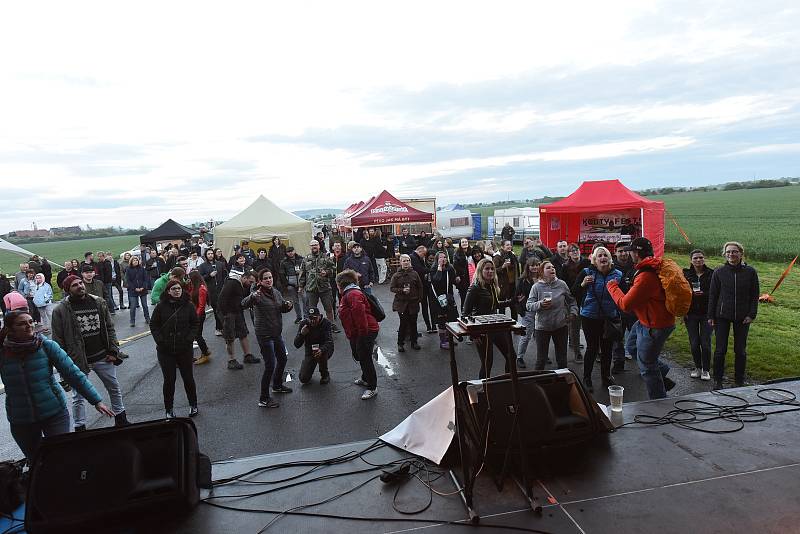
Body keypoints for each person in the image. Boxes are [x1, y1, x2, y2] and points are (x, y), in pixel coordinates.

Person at [0, 311, 115, 459]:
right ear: (9, 329)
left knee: (60, 457)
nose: (29, 326)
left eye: (30, 321)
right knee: (35, 461)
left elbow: (73, 374)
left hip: (54, 413)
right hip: (21, 418)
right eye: (22, 323)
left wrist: (96, 400)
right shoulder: (3, 352)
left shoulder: (46, 345)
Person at [52, 275, 131, 430]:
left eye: (81, 283)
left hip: (103, 356)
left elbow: (110, 328)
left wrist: (113, 350)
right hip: (78, 361)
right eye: (75, 285)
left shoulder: (98, 302)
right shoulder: (60, 311)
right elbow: (58, 340)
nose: (80, 286)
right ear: (67, 290)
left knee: (114, 387)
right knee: (78, 397)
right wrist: (64, 364)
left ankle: (121, 418)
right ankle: (80, 427)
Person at [606, 238, 677, 400]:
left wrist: (612, 286)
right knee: (631, 347)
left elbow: (625, 304)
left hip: (655, 325)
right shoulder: (654, 266)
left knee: (647, 367)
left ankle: (659, 402)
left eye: (630, 251)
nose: (628, 254)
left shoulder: (647, 276)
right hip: (645, 321)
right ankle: (661, 371)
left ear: (636, 253)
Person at [708, 241, 759, 389]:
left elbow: (754, 295)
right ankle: (718, 380)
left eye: (735, 251)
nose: (731, 254)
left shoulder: (750, 272)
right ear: (724, 254)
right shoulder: (718, 272)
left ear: (741, 254)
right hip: (722, 315)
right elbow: (713, 295)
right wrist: (711, 316)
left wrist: (752, 314)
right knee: (720, 349)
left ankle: (739, 380)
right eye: (728, 252)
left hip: (743, 317)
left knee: (740, 350)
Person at [572, 247, 622, 392]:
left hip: (609, 317)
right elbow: (573, 291)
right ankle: (587, 378)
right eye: (599, 256)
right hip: (590, 316)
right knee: (592, 348)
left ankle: (606, 376)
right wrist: (583, 284)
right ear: (594, 259)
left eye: (605, 255)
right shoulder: (587, 272)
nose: (602, 258)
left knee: (607, 349)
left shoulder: (617, 274)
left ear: (609, 258)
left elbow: (625, 295)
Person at [242, 269, 294, 408]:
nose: (269, 280)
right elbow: (244, 303)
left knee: (282, 358)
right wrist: (252, 296)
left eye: (270, 277)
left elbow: (281, 307)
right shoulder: (257, 294)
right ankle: (263, 398)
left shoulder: (275, 292)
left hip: (276, 332)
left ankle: (277, 385)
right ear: (260, 281)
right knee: (270, 365)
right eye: (265, 278)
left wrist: (288, 306)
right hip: (264, 334)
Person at [149, 280, 199, 418]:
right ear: (168, 291)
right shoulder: (160, 306)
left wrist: (189, 339)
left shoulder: (188, 306)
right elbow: (153, 325)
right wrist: (160, 340)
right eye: (174, 289)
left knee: (188, 378)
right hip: (166, 350)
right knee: (169, 380)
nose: (177, 291)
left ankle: (193, 404)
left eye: (179, 288)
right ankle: (169, 409)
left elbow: (195, 323)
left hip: (184, 348)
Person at [463, 258, 515, 378]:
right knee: (487, 363)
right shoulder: (475, 288)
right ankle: (483, 391)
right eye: (487, 269)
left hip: (495, 326)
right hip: (482, 330)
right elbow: (465, 313)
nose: (490, 271)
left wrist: (513, 301)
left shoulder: (492, 285)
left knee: (511, 356)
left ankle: (509, 383)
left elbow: (495, 304)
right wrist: (473, 334)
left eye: (492, 269)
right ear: (480, 270)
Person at [527, 260, 579, 372]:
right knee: (541, 359)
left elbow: (572, 301)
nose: (552, 269)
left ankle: (563, 383)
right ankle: (538, 384)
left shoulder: (561, 284)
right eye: (548, 268)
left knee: (562, 359)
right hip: (542, 327)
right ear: (542, 272)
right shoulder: (536, 287)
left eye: (553, 267)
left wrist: (573, 313)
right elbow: (529, 305)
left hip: (560, 326)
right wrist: (540, 304)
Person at [337, 269, 380, 400]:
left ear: (342, 284)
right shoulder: (349, 293)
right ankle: (365, 378)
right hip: (360, 332)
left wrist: (361, 336)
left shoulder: (353, 294)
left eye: (337, 284)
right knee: (360, 355)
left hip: (365, 331)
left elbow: (360, 316)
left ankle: (372, 387)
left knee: (365, 358)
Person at [217, 270, 260, 369]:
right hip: (228, 313)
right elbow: (221, 299)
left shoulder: (243, 285)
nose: (251, 284)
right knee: (230, 337)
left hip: (237, 311)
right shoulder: (232, 283)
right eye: (250, 282)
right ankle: (231, 360)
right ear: (244, 278)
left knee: (243, 333)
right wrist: (225, 315)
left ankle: (247, 355)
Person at [683, 249, 714, 381]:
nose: (698, 260)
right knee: (694, 342)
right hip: (691, 313)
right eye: (695, 258)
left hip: (707, 313)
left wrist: (704, 294)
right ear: (691, 260)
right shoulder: (686, 274)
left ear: (704, 259)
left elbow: (715, 292)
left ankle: (706, 370)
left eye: (701, 257)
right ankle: (697, 367)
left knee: (705, 342)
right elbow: (681, 291)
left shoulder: (712, 274)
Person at [299, 240, 339, 331]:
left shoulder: (326, 257)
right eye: (312, 245)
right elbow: (302, 273)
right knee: (312, 310)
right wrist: (301, 286)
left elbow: (333, 269)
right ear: (310, 247)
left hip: (325, 288)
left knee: (328, 308)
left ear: (319, 246)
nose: (314, 247)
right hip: (311, 288)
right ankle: (314, 327)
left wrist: (327, 272)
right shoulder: (306, 259)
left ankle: (331, 325)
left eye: (316, 245)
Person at [389, 254, 422, 352]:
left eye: (408, 260)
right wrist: (402, 290)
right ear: (400, 262)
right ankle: (400, 343)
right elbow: (392, 288)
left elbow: (420, 287)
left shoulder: (414, 273)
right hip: (402, 304)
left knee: (413, 323)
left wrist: (419, 299)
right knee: (403, 324)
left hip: (413, 302)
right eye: (404, 261)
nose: (406, 262)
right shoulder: (396, 275)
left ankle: (414, 342)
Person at [563, 244, 590, 362]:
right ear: (568, 254)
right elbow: (565, 283)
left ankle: (593, 350)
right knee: (574, 326)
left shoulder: (587, 263)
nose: (575, 252)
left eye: (577, 250)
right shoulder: (565, 266)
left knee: (588, 325)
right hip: (573, 297)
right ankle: (577, 352)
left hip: (587, 297)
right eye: (572, 251)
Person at [295, 306, 335, 385]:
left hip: (324, 349)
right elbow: (296, 344)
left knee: (322, 353)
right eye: (310, 318)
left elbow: (329, 341)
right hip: (310, 350)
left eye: (315, 318)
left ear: (320, 316)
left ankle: (325, 374)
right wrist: (301, 334)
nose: (312, 321)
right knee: (303, 379)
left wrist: (321, 350)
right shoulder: (304, 324)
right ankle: (309, 363)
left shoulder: (326, 323)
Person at [430, 251, 459, 350]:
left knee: (450, 319)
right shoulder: (433, 269)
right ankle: (443, 342)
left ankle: (449, 339)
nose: (443, 259)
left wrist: (457, 280)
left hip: (449, 297)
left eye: (444, 257)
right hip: (439, 299)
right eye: (441, 258)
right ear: (437, 260)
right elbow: (436, 281)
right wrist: (439, 269)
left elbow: (454, 281)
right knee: (442, 321)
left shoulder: (449, 268)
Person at [515, 258, 541, 368]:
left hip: (541, 311)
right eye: (532, 265)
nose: (535, 267)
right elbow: (517, 296)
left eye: (537, 265)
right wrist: (521, 310)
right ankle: (519, 357)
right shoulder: (523, 280)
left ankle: (542, 355)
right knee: (526, 335)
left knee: (541, 335)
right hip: (528, 311)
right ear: (528, 267)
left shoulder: (543, 278)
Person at [198, 248, 227, 335]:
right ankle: (219, 328)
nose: (210, 255)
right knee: (216, 309)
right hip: (211, 291)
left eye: (211, 253)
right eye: (208, 254)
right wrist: (209, 275)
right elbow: (201, 278)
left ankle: (225, 326)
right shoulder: (202, 266)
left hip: (221, 289)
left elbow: (225, 275)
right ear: (206, 256)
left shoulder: (220, 264)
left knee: (223, 309)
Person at [410, 245, 435, 334]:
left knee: (429, 306)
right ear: (420, 251)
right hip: (421, 286)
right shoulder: (414, 257)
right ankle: (429, 326)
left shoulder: (417, 258)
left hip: (425, 286)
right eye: (423, 254)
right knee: (424, 306)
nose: (424, 256)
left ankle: (432, 326)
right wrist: (430, 270)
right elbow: (419, 269)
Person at [188, 271, 212, 365]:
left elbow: (201, 306)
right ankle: (205, 351)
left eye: (190, 278)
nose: (189, 280)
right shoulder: (195, 287)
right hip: (195, 314)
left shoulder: (201, 289)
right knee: (197, 335)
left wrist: (196, 317)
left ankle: (205, 352)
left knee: (197, 335)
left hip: (198, 316)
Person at [494, 240, 519, 320]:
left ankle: (516, 326)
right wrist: (502, 267)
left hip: (512, 284)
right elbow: (493, 270)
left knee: (514, 306)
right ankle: (502, 326)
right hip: (503, 285)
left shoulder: (512, 255)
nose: (509, 246)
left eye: (510, 245)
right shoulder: (498, 256)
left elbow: (517, 268)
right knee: (502, 306)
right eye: (507, 245)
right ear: (502, 246)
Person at [280, 247, 304, 324]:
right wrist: (287, 283)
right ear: (286, 253)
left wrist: (304, 282)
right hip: (290, 283)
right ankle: (299, 317)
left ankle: (307, 316)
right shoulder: (284, 262)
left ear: (294, 251)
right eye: (288, 252)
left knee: (305, 299)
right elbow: (282, 274)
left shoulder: (301, 259)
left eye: (291, 251)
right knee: (295, 301)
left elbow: (306, 270)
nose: (290, 253)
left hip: (301, 282)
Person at [125, 256, 151, 327]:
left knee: (145, 305)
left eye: (136, 260)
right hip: (133, 291)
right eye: (134, 260)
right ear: (131, 262)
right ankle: (132, 321)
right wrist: (134, 288)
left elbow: (146, 279)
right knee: (133, 306)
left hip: (143, 290)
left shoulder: (142, 269)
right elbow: (128, 281)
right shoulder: (128, 269)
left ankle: (147, 318)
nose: (135, 261)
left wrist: (143, 287)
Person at [452, 238, 471, 310]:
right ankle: (464, 314)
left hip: (471, 278)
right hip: (462, 279)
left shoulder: (471, 252)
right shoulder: (457, 254)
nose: (465, 243)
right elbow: (455, 266)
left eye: (466, 242)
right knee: (464, 298)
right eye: (463, 242)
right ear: (460, 244)